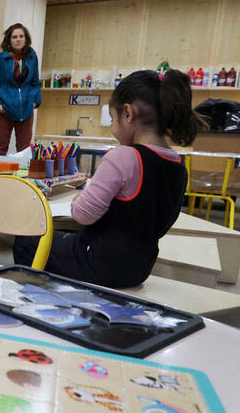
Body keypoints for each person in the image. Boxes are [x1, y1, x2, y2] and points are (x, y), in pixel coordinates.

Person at [14, 70, 197, 287]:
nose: (112, 128)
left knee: (27, 241)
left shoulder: (124, 156)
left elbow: (83, 215)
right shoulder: (177, 164)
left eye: (112, 119)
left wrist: (76, 201)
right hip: (140, 267)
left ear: (127, 113)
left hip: (100, 261)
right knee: (62, 238)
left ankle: (34, 300)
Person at [0, 23, 42, 154]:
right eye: (14, 37)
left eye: (21, 36)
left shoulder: (32, 58)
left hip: (26, 111)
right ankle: (0, 174)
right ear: (9, 40)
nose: (18, 39)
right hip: (5, 110)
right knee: (1, 147)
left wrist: (34, 102)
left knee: (24, 150)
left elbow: (35, 83)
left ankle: (21, 175)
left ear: (26, 39)